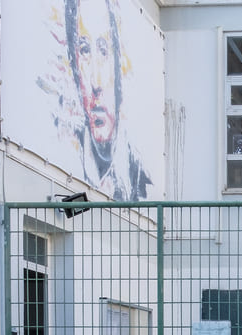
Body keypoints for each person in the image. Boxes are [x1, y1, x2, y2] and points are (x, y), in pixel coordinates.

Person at [64, 0, 152, 201]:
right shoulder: (68, 159)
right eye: (85, 50)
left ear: (119, 63)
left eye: (104, 51)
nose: (96, 82)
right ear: (73, 63)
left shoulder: (140, 179)